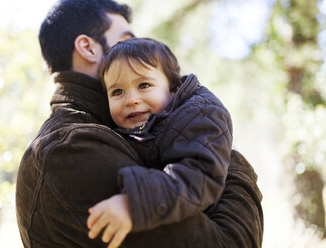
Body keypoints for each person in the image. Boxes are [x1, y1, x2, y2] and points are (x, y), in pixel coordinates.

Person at [15, 0, 264, 247]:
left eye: (145, 84)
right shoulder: (72, 149)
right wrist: (231, 164)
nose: (134, 51)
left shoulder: (118, 130)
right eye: (124, 41)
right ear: (88, 48)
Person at [87, 37, 233, 247]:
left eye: (144, 85)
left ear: (174, 88)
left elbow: (199, 177)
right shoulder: (141, 127)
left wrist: (133, 204)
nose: (131, 99)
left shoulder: (200, 115)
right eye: (117, 91)